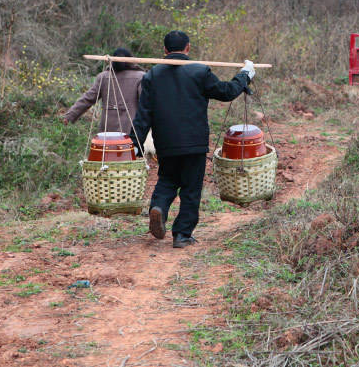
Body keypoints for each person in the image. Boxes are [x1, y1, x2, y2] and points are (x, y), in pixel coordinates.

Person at [129, 30, 254, 248]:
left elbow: (143, 115)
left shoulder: (152, 75)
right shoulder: (200, 72)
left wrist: (134, 145)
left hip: (166, 142)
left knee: (167, 179)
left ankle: (158, 207)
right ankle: (182, 235)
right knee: (191, 188)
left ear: (165, 50)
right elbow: (226, 92)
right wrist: (245, 75)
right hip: (194, 142)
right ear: (188, 48)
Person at [63, 47, 144, 135]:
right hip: (130, 129)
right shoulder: (141, 77)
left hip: (107, 130)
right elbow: (146, 103)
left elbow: (87, 98)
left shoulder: (104, 77)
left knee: (108, 148)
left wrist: (70, 116)